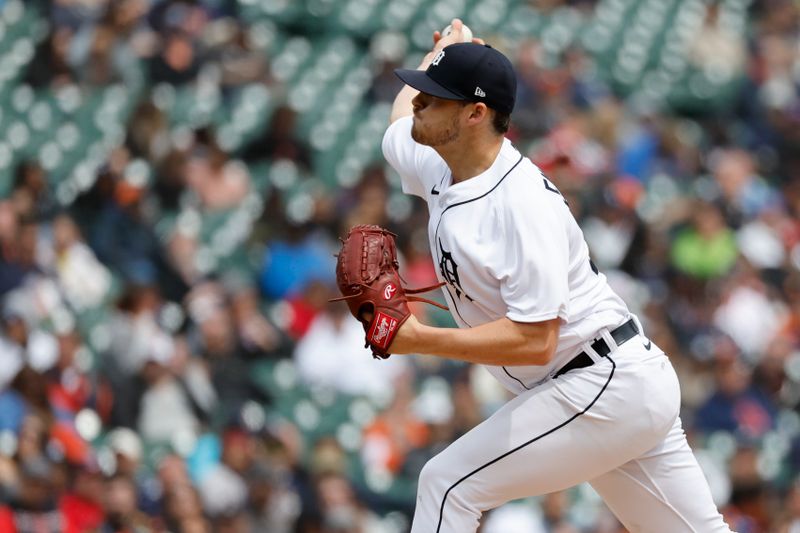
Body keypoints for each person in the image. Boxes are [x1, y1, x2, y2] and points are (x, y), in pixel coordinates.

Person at [379, 18, 733, 533]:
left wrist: (419, 340)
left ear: (475, 114)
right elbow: (396, 124)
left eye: (433, 97)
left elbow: (536, 339)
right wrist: (439, 60)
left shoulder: (520, 204)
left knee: (446, 485)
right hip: (608, 385)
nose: (418, 102)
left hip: (598, 379)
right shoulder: (441, 161)